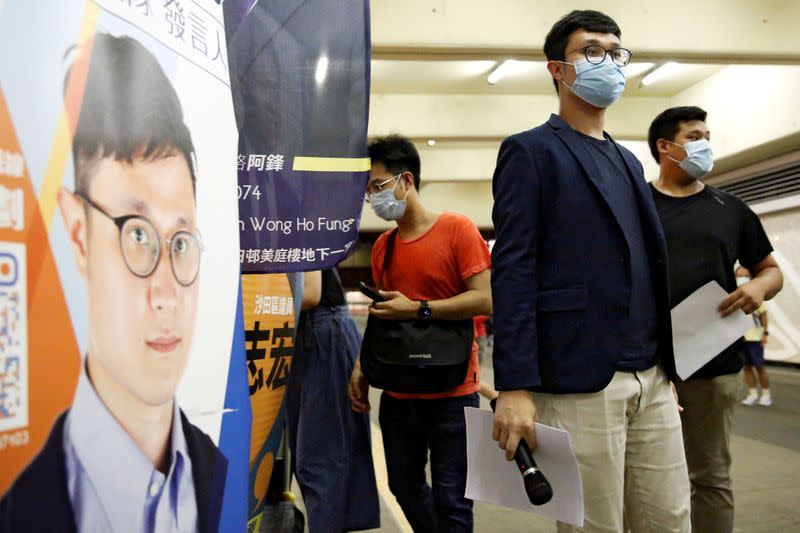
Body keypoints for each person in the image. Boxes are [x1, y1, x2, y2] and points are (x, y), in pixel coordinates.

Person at [0, 33, 226, 533]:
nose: (167, 294)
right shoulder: (20, 510)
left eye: (182, 241)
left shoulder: (219, 471)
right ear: (78, 233)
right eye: (138, 235)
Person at [490, 10, 690, 532]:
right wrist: (514, 386)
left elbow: (643, 265)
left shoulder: (629, 161)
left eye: (617, 53)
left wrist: (665, 367)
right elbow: (512, 270)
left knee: (670, 519)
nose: (610, 63)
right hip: (580, 380)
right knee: (594, 525)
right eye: (592, 51)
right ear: (558, 68)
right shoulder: (530, 152)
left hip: (651, 376)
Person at [649, 106, 783, 532]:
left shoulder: (731, 208)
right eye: (694, 136)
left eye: (708, 134)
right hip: (644, 363)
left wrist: (759, 288)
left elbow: (770, 269)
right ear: (665, 147)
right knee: (646, 475)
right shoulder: (636, 206)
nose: (705, 143)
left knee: (710, 475)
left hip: (712, 360)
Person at [348, 135, 491, 532]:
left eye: (377, 186)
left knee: (453, 500)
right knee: (403, 486)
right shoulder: (383, 247)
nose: (373, 197)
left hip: (453, 391)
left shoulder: (457, 230)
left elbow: (486, 300)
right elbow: (382, 315)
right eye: (367, 191)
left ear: (406, 181)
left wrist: (421, 308)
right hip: (399, 390)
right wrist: (362, 366)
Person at [285, 269, 380, 532]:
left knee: (320, 465)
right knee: (302, 463)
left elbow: (311, 293)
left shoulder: (298, 226)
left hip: (320, 331)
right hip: (295, 333)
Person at [737, 267, 773, 406]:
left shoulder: (756, 297)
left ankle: (766, 394)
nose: (742, 279)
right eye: (739, 276)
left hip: (755, 337)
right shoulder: (734, 296)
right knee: (746, 367)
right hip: (741, 338)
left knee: (759, 366)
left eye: (745, 276)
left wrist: (765, 333)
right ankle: (752, 393)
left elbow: (763, 316)